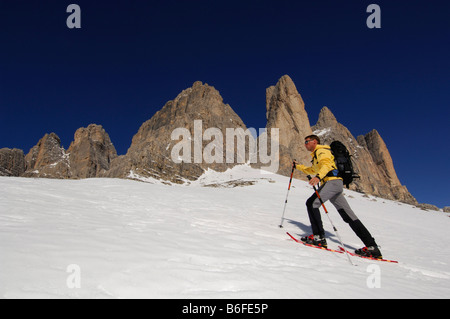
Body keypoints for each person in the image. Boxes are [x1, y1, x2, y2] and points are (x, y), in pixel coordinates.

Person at [293, 134, 382, 259]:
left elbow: (327, 166)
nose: (305, 144)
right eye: (305, 141)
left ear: (314, 141)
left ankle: (319, 238)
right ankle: (372, 247)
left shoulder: (321, 151)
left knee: (312, 203)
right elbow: (312, 170)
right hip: (335, 184)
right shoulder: (317, 155)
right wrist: (298, 167)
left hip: (332, 182)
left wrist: (318, 177)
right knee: (349, 216)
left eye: (307, 141)